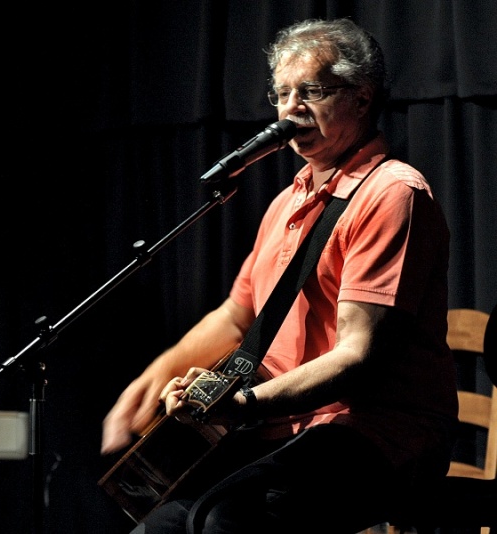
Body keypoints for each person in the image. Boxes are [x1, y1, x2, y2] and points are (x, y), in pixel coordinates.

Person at [101, 18, 458, 534]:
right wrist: (156, 381)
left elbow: (357, 355)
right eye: (282, 93)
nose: (291, 108)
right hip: (278, 430)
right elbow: (236, 317)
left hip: (376, 434)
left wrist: (242, 404)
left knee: (227, 520)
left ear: (362, 98)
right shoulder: (286, 203)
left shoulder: (392, 194)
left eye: (311, 91)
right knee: (160, 526)